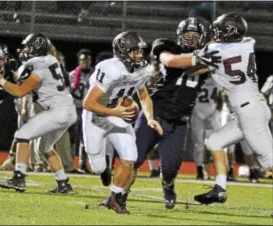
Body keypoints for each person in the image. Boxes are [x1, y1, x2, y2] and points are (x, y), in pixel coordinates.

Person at [131, 17, 221, 210]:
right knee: (133, 159)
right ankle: (118, 196)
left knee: (170, 168)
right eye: (186, 35)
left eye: (194, 35)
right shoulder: (166, 45)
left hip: (179, 120)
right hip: (154, 114)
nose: (190, 39)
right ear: (179, 35)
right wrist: (206, 54)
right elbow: (171, 61)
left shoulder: (207, 59)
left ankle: (168, 186)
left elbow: (202, 68)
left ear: (202, 37)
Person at [194, 13, 273, 205]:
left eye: (220, 29)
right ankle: (219, 189)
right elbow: (213, 62)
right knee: (214, 142)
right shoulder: (246, 43)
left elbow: (185, 64)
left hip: (249, 111)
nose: (216, 32)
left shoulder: (218, 50)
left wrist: (165, 57)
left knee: (270, 162)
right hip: (250, 108)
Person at [82, 31, 163, 214]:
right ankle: (104, 168)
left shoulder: (142, 68)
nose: (139, 55)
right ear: (122, 52)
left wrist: (150, 118)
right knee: (97, 167)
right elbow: (88, 103)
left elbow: (143, 95)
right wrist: (114, 111)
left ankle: (114, 198)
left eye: (140, 51)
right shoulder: (110, 69)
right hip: (95, 118)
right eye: (134, 51)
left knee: (130, 158)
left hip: (118, 115)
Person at [0, 33, 77, 194]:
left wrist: (0, 79)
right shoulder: (51, 60)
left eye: (28, 47)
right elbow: (33, 81)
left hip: (57, 110)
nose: (25, 50)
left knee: (22, 135)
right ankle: (63, 184)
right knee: (46, 148)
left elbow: (20, 91)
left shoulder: (36, 63)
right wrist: (14, 74)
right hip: (67, 109)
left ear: (37, 48)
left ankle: (19, 178)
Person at [191, 76, 223, 180]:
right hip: (201, 114)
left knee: (210, 145)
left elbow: (221, 100)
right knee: (199, 145)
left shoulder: (198, 79)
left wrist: (215, 114)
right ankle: (200, 170)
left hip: (207, 114)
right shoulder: (216, 79)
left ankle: (205, 170)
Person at [70, 48, 93, 173]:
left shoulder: (95, 75)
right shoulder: (72, 75)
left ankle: (83, 164)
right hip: (75, 107)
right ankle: (70, 163)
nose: (86, 62)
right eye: (83, 60)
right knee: (73, 137)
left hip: (89, 109)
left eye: (88, 60)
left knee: (86, 137)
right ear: (79, 61)